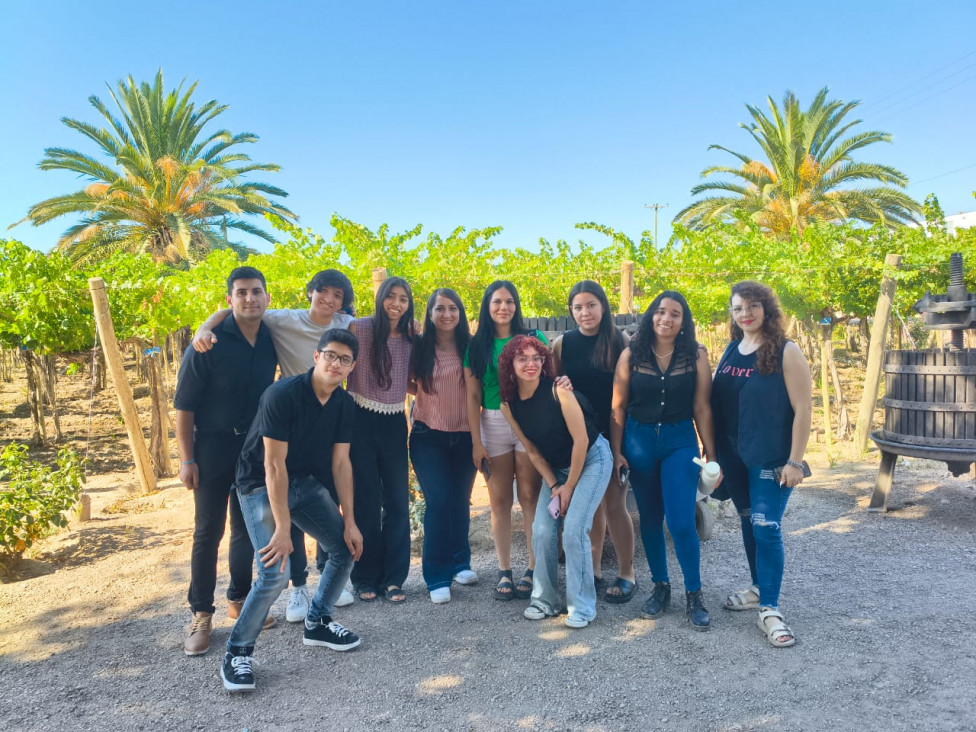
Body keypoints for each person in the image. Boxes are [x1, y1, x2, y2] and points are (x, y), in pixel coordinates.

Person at [193, 269, 356, 617]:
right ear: (310, 292)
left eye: (337, 295)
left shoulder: (345, 323)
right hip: (288, 420)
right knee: (288, 506)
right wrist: (204, 327)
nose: (329, 300)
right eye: (323, 291)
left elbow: (376, 324)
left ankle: (328, 576)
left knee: (325, 499)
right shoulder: (284, 319)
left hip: (326, 420)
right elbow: (238, 309)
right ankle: (298, 587)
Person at [220, 329, 364, 692]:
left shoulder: (344, 404)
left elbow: (342, 464)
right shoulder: (282, 395)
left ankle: (318, 622)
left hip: (303, 481)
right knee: (275, 573)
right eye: (330, 355)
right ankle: (237, 652)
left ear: (352, 366)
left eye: (345, 359)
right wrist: (283, 529)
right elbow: (273, 466)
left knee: (344, 549)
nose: (336, 363)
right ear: (316, 356)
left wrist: (350, 521)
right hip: (259, 484)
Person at [175, 266, 279, 656]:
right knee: (208, 530)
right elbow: (184, 406)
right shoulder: (207, 344)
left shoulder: (271, 335)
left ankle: (238, 599)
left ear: (267, 297)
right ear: (229, 299)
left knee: (245, 528)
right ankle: (201, 613)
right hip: (211, 448)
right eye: (241, 292)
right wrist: (187, 459)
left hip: (252, 449)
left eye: (256, 291)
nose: (249, 298)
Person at [711, 281, 812, 648]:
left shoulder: (786, 351)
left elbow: (804, 408)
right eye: (738, 308)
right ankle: (758, 588)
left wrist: (795, 461)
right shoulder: (730, 350)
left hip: (771, 456)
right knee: (748, 521)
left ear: (767, 308)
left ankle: (770, 609)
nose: (745, 314)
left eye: (752, 306)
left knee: (767, 527)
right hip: (734, 455)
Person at [611, 290, 718, 631]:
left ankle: (694, 594)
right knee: (651, 518)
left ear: (684, 321)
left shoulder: (695, 355)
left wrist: (711, 451)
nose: (666, 319)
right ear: (650, 316)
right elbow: (618, 406)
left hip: (679, 441)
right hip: (638, 441)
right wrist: (617, 451)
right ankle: (661, 587)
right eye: (660, 312)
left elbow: (702, 406)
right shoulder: (631, 354)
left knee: (682, 521)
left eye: (675, 313)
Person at [499, 336, 613, 628]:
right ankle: (544, 600)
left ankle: (582, 607)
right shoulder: (509, 405)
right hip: (557, 471)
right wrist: (554, 487)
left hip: (592, 459)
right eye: (522, 359)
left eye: (536, 358)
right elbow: (532, 451)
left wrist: (569, 487)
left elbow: (581, 441)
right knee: (541, 530)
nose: (531, 364)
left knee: (573, 530)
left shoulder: (558, 391)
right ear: (510, 364)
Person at [552, 280, 637, 604]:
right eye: (578, 307)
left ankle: (627, 573)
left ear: (603, 306)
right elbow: (555, 389)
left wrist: (618, 449)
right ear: (571, 311)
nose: (585, 312)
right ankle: (595, 570)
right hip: (580, 436)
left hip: (615, 431)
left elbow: (628, 395)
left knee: (614, 504)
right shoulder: (562, 345)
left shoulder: (620, 341)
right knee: (590, 505)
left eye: (591, 305)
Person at [465, 281, 546, 601]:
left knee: (529, 496)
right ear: (487, 306)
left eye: (509, 301)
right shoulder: (476, 346)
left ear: (517, 305)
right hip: (493, 422)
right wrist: (476, 441)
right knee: (499, 501)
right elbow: (472, 396)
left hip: (528, 421)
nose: (504, 307)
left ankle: (533, 568)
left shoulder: (533, 338)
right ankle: (504, 570)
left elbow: (549, 380)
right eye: (497, 301)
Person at [347, 277, 416, 603]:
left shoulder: (412, 337)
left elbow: (413, 378)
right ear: (380, 298)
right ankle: (364, 576)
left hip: (393, 422)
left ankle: (394, 578)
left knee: (398, 502)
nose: (396, 304)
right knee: (366, 502)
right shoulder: (358, 328)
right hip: (359, 420)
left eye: (403, 299)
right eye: (391, 296)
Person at [409, 289, 478, 604]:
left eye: (453, 308)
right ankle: (436, 575)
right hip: (428, 435)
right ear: (430, 313)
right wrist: (427, 394)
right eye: (440, 308)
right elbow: (406, 380)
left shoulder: (471, 347)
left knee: (460, 499)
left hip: (465, 435)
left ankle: (460, 562)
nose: (447, 314)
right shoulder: (418, 347)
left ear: (460, 313)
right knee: (439, 500)